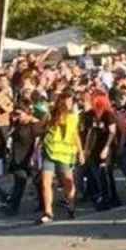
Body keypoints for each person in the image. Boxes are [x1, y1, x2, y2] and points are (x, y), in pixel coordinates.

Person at [38, 92, 84, 224]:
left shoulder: (73, 117)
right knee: (46, 183)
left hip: (65, 154)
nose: (67, 104)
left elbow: (75, 135)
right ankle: (48, 212)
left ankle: (71, 205)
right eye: (65, 101)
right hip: (49, 152)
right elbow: (41, 129)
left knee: (67, 182)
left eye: (70, 102)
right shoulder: (51, 115)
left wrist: (80, 152)